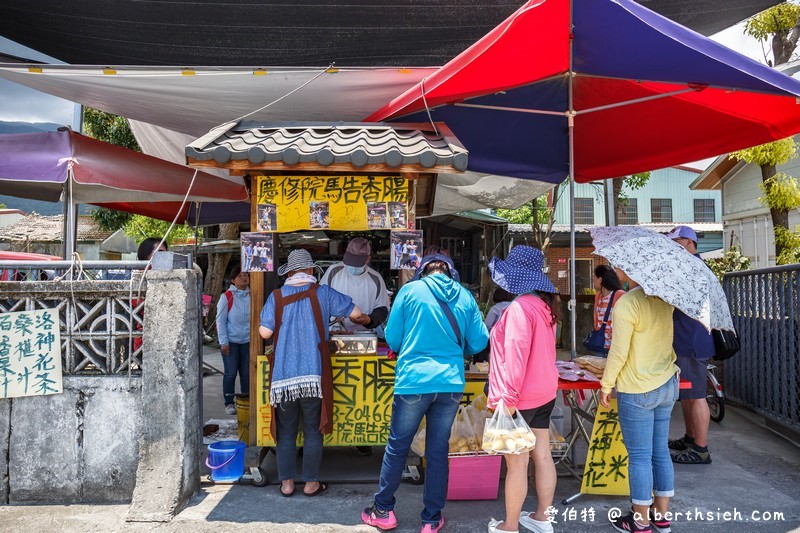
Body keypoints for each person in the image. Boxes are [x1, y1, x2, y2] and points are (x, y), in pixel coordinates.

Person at [361, 254, 488, 533]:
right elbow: (479, 341)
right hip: (450, 383)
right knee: (438, 451)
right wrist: (457, 347)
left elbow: (392, 337)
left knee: (397, 447)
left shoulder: (410, 291)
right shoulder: (465, 295)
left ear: (424, 272)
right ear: (449, 272)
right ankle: (431, 519)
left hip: (414, 381)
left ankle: (383, 511)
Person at [259, 249, 363, 498]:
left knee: (286, 433)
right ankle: (310, 483)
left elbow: (264, 332)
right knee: (313, 431)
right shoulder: (322, 293)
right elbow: (357, 314)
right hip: (313, 377)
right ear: (309, 270)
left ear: (291, 272)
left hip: (284, 379)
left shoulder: (276, 296)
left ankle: (286, 484)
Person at [599, 265, 679, 533]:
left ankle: (641, 521)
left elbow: (618, 352)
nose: (615, 267)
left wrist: (606, 385)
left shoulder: (627, 304)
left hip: (638, 388)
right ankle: (660, 516)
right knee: (660, 451)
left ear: (632, 268)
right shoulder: (665, 299)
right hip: (667, 383)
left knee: (641, 457)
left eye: (620, 263)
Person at [485, 246, 560, 533]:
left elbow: (515, 356)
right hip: (544, 393)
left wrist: (508, 400)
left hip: (518, 396)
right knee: (542, 456)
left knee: (516, 465)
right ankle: (542, 517)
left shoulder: (519, 308)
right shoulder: (543, 306)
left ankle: (510, 525)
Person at [665, 225, 715, 465]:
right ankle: (690, 438)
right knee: (686, 394)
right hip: (684, 340)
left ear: (687, 242)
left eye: (675, 242)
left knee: (696, 395)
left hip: (693, 340)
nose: (672, 247)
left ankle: (701, 449)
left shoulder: (696, 268)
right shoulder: (689, 267)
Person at [320, 237, 390, 333]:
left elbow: (382, 309)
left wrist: (368, 320)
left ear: (368, 259)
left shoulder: (376, 278)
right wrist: (331, 313)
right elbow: (320, 299)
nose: (353, 266)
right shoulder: (334, 271)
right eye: (351, 261)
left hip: (364, 334)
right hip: (335, 331)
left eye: (357, 263)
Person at [216, 266, 251, 416]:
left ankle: (247, 400)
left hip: (248, 342)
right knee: (230, 373)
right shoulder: (227, 297)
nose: (244, 278)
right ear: (233, 280)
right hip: (231, 342)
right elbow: (220, 321)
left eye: (246, 275)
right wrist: (224, 342)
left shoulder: (253, 296)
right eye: (240, 276)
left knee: (246, 373)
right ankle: (229, 403)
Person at [590, 265, 626, 357]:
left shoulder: (619, 295)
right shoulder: (598, 296)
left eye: (594, 277)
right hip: (600, 344)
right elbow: (597, 320)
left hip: (614, 347)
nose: (593, 280)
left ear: (600, 279)